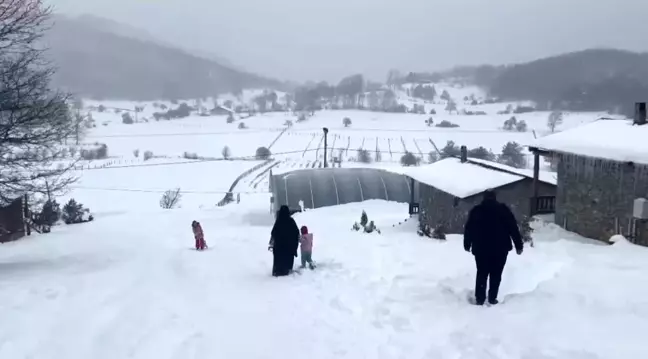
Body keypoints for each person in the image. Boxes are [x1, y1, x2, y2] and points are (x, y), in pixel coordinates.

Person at [464, 189, 523, 305]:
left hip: (481, 249)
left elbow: (469, 229)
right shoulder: (503, 210)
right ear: (495, 197)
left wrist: (467, 243)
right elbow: (513, 228)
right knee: (496, 274)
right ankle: (492, 298)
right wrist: (518, 245)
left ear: (484, 198)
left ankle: (480, 298)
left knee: (482, 273)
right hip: (500, 249)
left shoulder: (477, 211)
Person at [270, 205, 300, 276]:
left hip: (279, 247)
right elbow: (296, 232)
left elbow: (273, 232)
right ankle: (287, 269)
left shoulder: (278, 221)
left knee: (278, 258)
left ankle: (277, 271)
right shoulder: (291, 221)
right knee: (288, 258)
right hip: (289, 247)